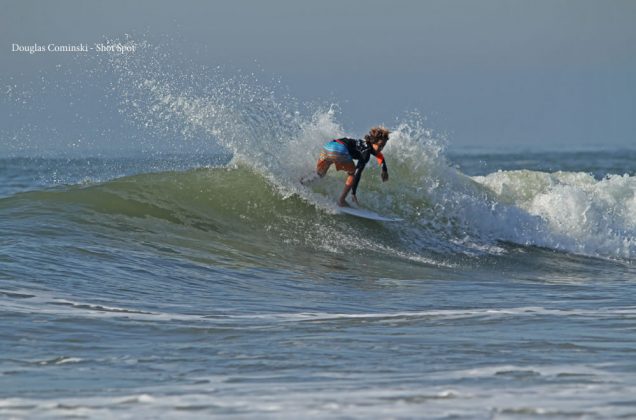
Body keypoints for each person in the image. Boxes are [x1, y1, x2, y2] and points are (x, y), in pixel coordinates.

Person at [305, 126, 390, 207]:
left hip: (328, 147)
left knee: (320, 174)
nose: (381, 148)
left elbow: (379, 155)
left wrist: (384, 169)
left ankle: (302, 182)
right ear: (373, 141)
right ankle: (341, 201)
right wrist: (353, 192)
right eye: (380, 145)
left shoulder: (362, 143)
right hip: (339, 150)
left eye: (383, 146)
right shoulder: (366, 152)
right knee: (352, 173)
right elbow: (358, 172)